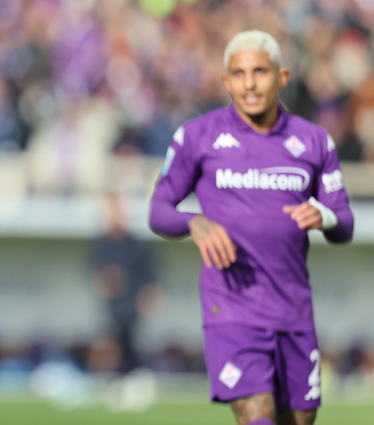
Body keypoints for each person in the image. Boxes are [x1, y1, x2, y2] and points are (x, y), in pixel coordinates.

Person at [149, 30, 354, 425]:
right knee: (257, 416)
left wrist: (323, 216)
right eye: (238, 73)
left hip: (294, 310)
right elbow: (159, 210)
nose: (249, 83)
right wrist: (195, 222)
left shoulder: (314, 142)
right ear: (225, 81)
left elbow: (343, 222)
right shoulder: (197, 136)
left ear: (282, 77)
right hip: (231, 308)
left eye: (260, 71)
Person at [90, 192, 158, 375]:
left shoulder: (136, 244)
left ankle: (134, 375)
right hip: (109, 307)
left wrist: (148, 296)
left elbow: (149, 277)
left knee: (130, 345)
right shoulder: (100, 244)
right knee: (110, 344)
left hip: (132, 305)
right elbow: (95, 273)